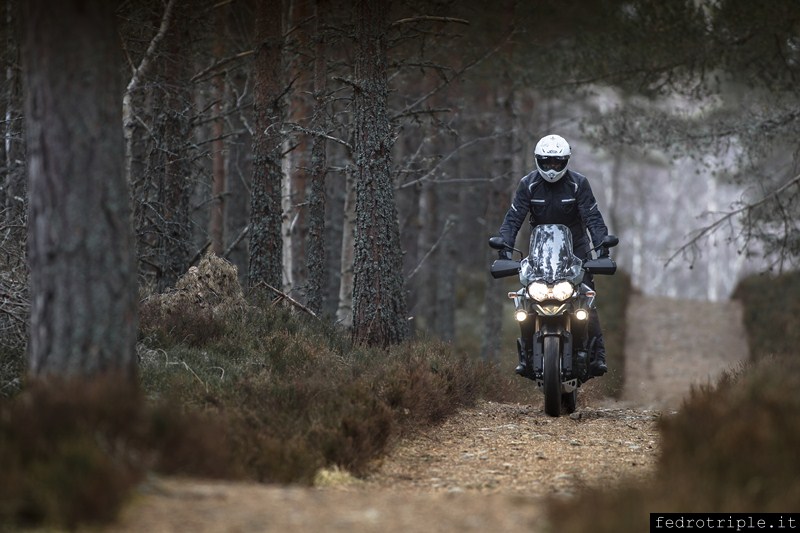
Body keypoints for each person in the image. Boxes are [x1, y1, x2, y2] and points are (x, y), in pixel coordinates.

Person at [497, 133, 610, 376]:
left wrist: (602, 247)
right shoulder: (528, 184)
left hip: (576, 249)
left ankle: (597, 355)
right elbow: (513, 218)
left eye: (557, 162)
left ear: (566, 161)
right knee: (524, 300)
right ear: (538, 160)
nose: (551, 167)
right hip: (540, 251)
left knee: (586, 297)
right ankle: (527, 355)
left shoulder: (578, 184)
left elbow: (593, 217)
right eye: (547, 162)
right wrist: (504, 248)